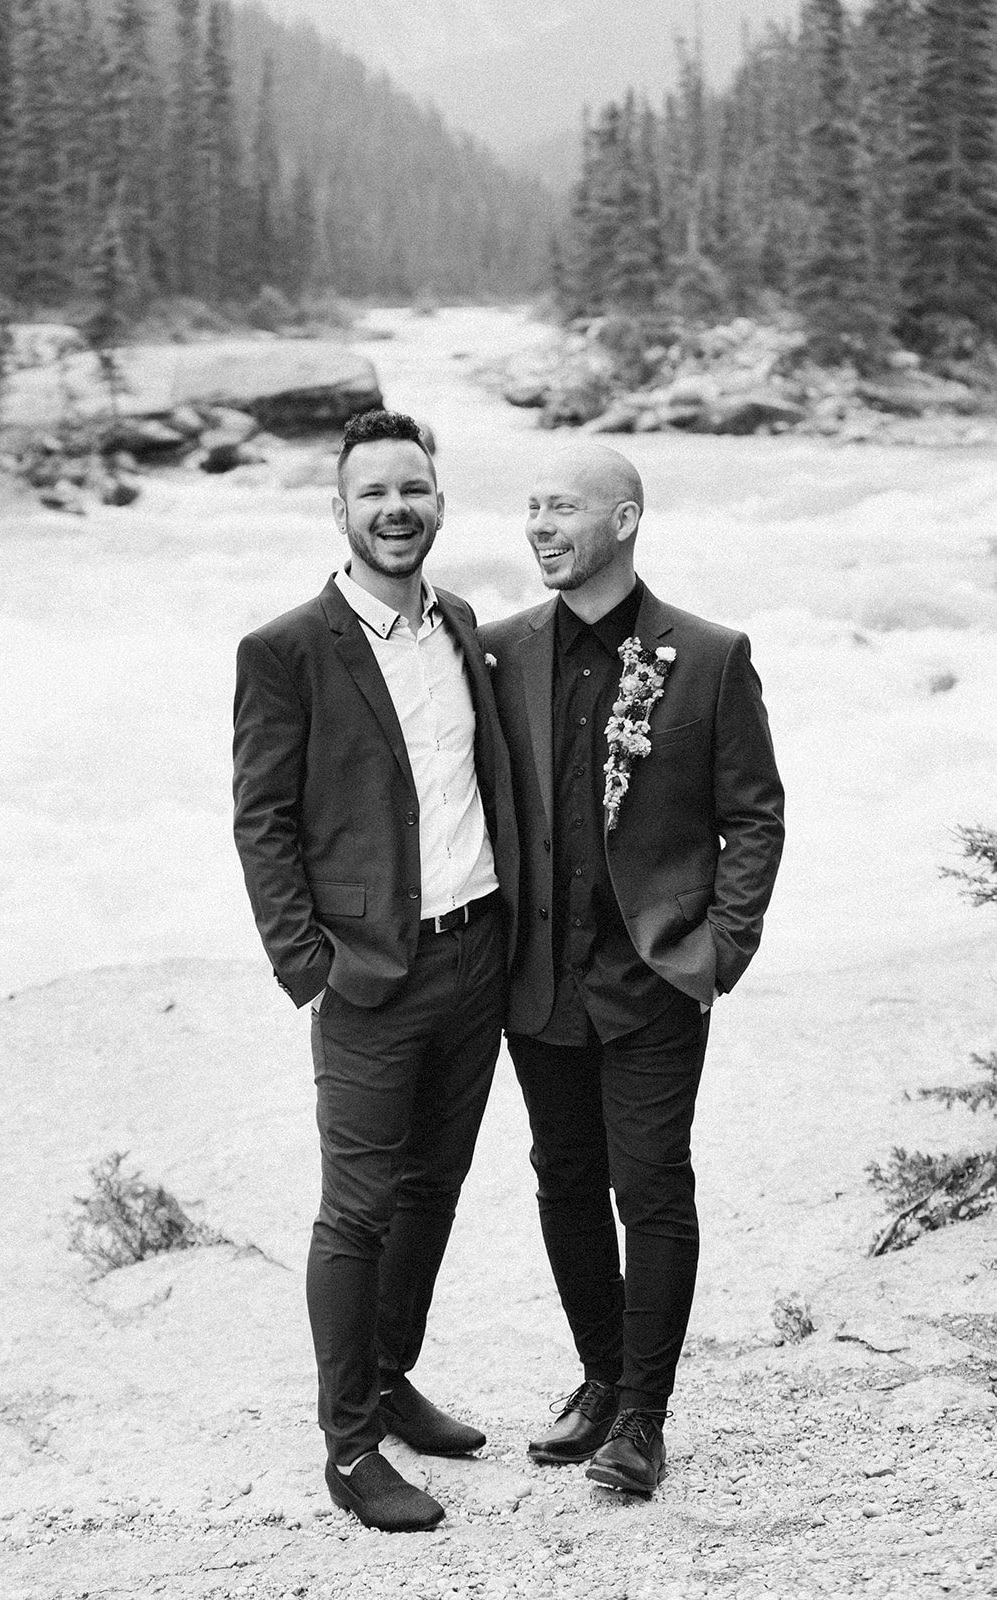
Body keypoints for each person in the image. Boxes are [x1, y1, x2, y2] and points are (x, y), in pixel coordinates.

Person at [479, 441, 784, 1496]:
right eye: (529, 507)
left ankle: (643, 1419)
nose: (538, 525)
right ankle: (600, 1381)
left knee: (649, 1185)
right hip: (535, 978)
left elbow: (753, 814)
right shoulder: (498, 650)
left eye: (560, 506)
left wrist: (718, 950)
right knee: (561, 1176)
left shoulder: (706, 654)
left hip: (654, 977)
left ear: (623, 519)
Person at [232, 408, 517, 1532]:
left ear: (438, 498)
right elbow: (261, 820)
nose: (396, 510)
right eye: (373, 495)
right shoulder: (286, 649)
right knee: (355, 1212)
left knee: (432, 1192)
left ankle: (391, 1376)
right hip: (366, 978)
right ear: (339, 512)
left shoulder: (460, 621)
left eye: (414, 489)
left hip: (475, 956)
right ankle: (349, 1444)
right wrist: (310, 967)